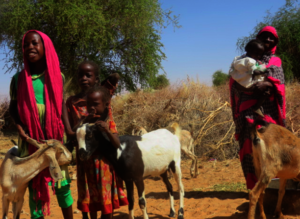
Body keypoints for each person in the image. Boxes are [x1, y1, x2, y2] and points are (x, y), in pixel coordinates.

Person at [9, 30, 73, 219]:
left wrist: (69, 131)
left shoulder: (57, 77)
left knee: (61, 183)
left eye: (35, 43)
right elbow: (13, 107)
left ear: (45, 47)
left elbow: (61, 106)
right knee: (34, 186)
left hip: (53, 140)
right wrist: (20, 128)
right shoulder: (18, 79)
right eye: (26, 44)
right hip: (30, 142)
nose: (30, 47)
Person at [65, 61, 127, 219]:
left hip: (104, 160)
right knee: (88, 197)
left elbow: (112, 132)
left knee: (106, 200)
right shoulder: (72, 102)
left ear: (96, 79)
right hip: (84, 159)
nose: (84, 78)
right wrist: (84, 122)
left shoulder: (103, 100)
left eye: (88, 75)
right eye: (80, 75)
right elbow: (72, 131)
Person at [229, 26, 285, 190]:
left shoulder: (275, 61)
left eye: (272, 38)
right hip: (247, 111)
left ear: (275, 41)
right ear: (258, 39)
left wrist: (267, 83)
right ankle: (254, 189)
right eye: (265, 37)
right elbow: (234, 82)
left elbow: (280, 83)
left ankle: (272, 188)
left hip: (269, 111)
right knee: (250, 148)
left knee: (271, 147)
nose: (268, 40)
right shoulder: (243, 60)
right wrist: (246, 88)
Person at [229, 39, 269, 117]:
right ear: (248, 51)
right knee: (267, 91)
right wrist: (263, 70)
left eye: (260, 54)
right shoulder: (250, 61)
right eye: (256, 53)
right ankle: (256, 107)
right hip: (249, 84)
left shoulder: (238, 58)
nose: (258, 56)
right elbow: (255, 71)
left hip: (241, 82)